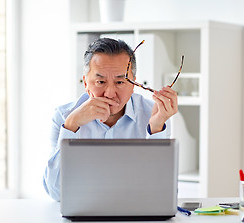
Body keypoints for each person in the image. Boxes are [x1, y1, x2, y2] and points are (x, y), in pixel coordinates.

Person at [43, 38, 178, 201]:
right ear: (86, 83)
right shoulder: (64, 116)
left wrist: (156, 129)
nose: (109, 93)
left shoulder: (154, 115)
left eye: (120, 82)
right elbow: (56, 193)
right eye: (100, 82)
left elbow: (162, 193)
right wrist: (71, 126)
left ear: (134, 83)